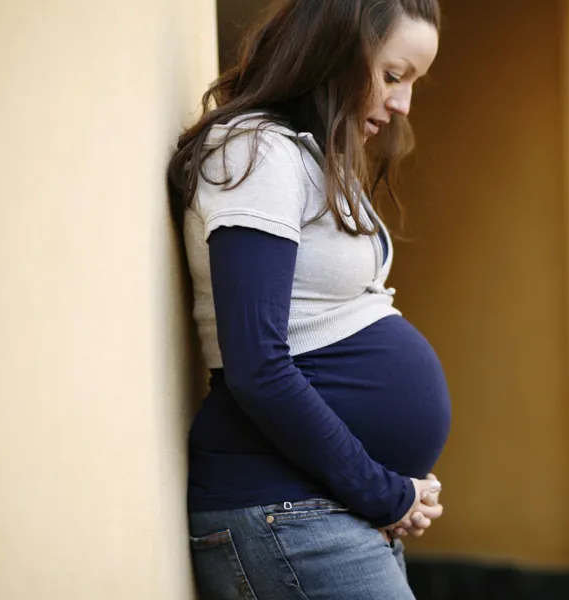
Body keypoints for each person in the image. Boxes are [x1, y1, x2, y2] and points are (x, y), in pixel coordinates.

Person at [165, 1, 449, 598]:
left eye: (412, 84)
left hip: (322, 507)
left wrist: (388, 487)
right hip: (284, 509)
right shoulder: (254, 151)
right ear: (334, 49)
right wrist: (384, 491)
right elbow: (258, 366)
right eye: (393, 75)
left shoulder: (304, 156)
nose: (402, 105)